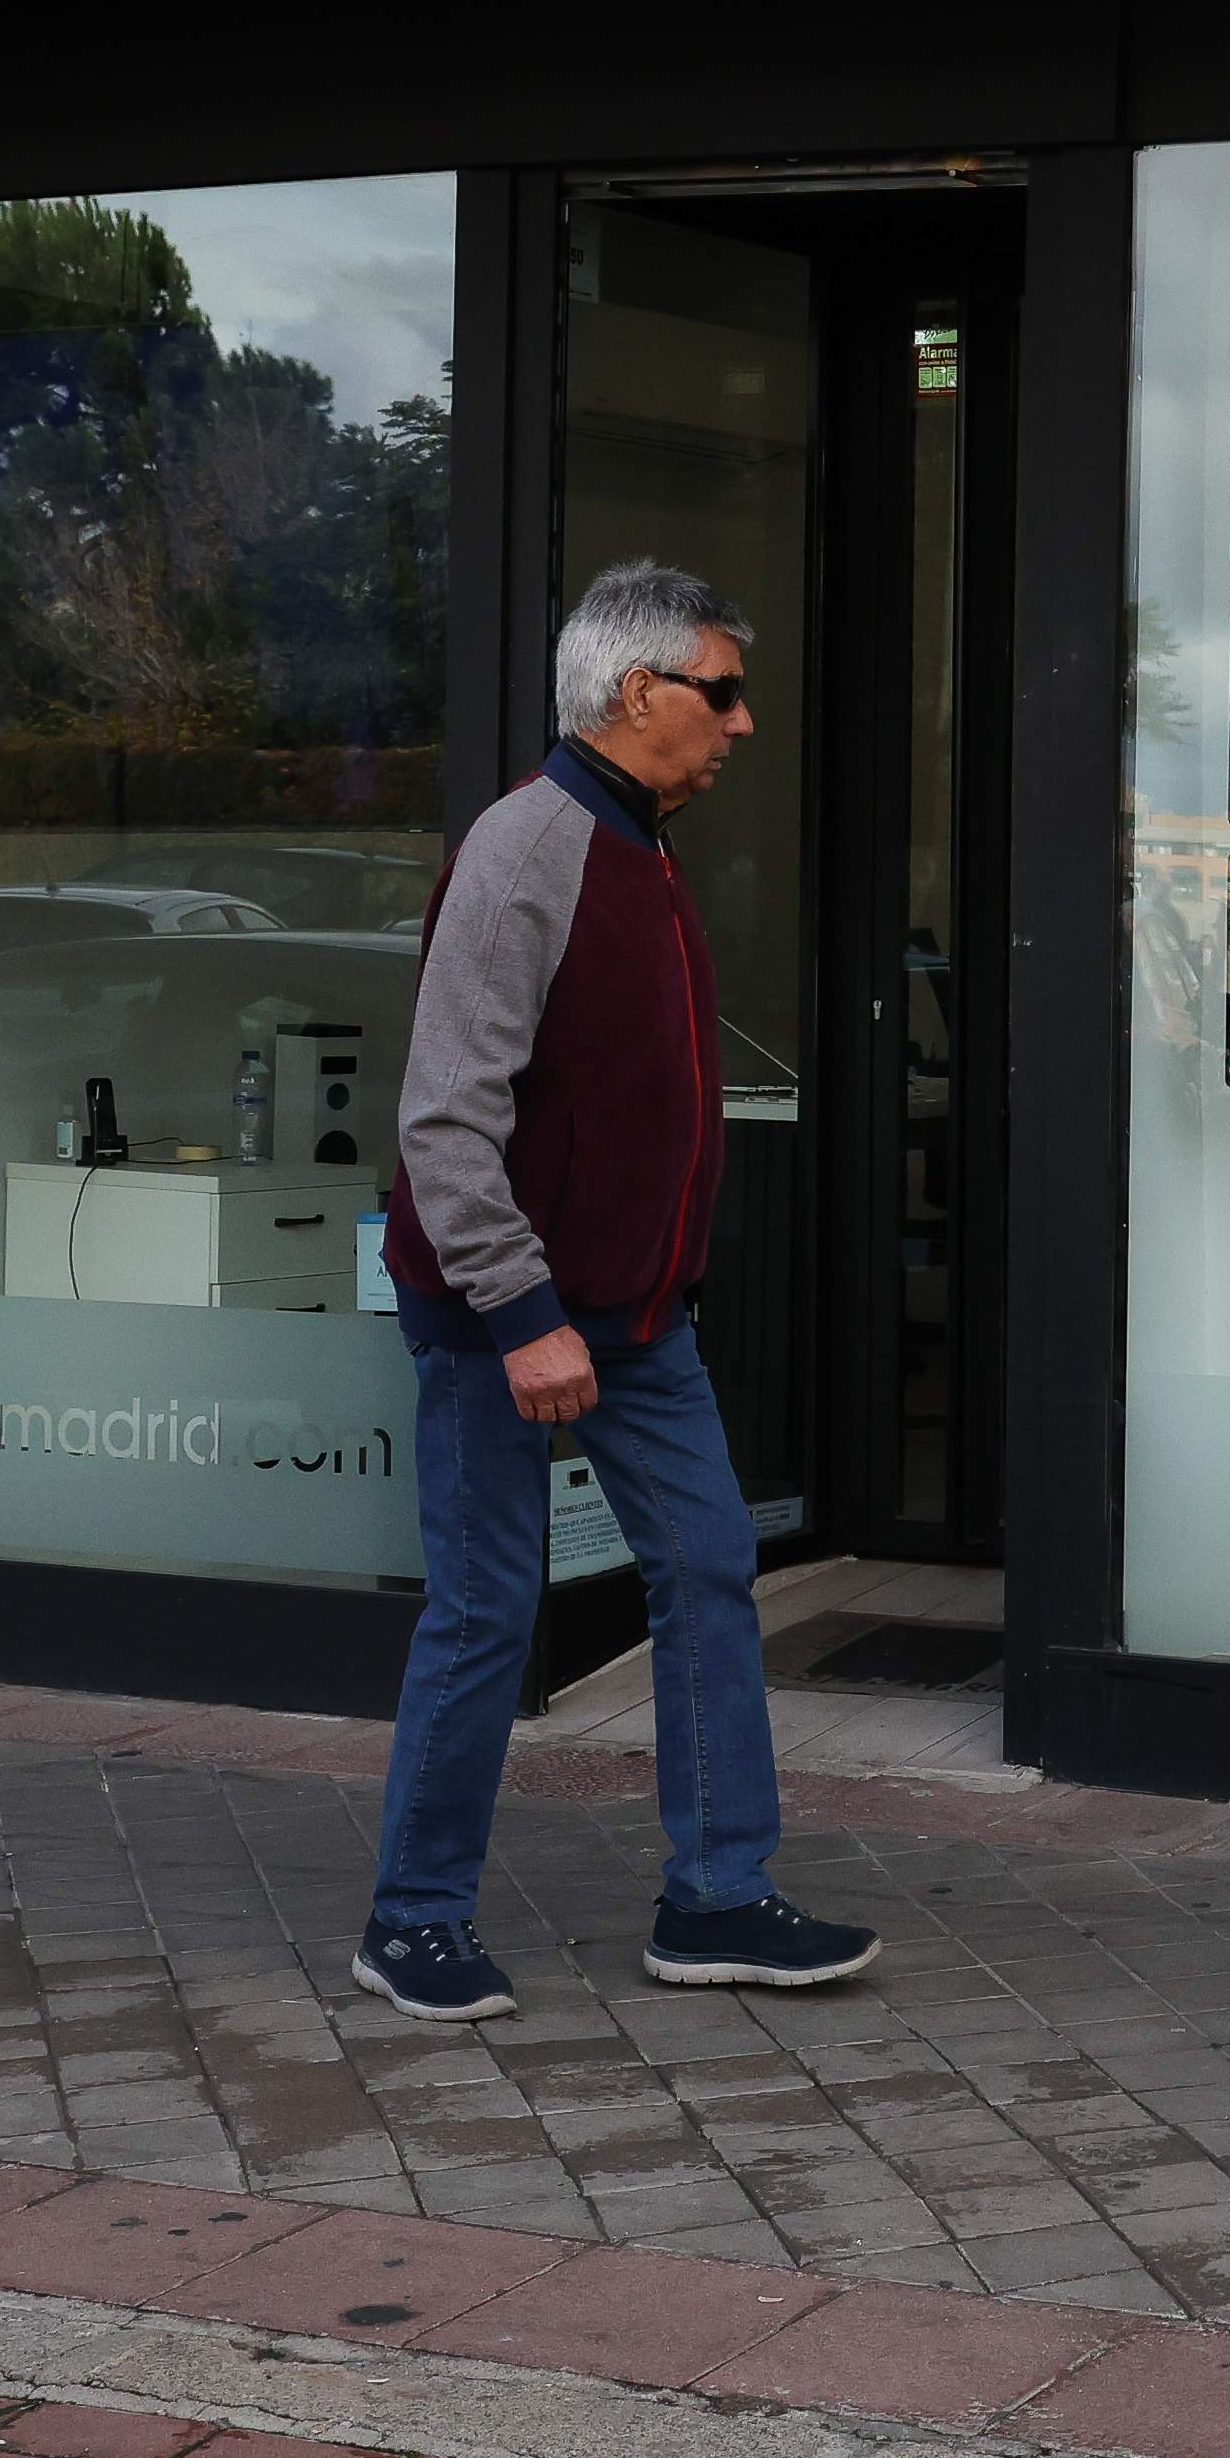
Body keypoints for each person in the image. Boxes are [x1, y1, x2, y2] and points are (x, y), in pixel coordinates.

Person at [353, 558, 878, 2021]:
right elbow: (446, 1117)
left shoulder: (641, 843)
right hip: (501, 1312)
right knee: (484, 1604)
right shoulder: (532, 851)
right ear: (636, 693)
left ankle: (717, 1896)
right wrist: (521, 1316)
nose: (743, 721)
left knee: (709, 1570)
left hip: (639, 1321)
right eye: (721, 690)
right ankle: (414, 1918)